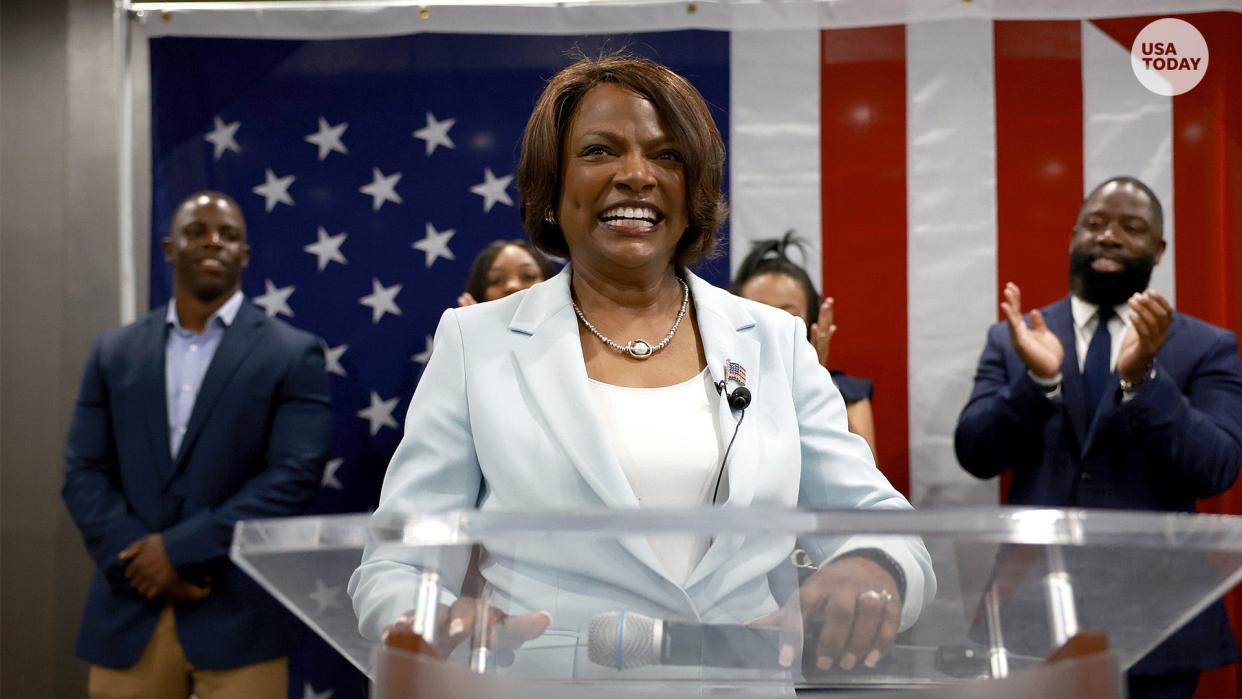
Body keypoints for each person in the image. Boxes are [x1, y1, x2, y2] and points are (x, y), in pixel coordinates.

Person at [350, 54, 934, 678]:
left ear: (694, 193)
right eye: (601, 151)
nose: (636, 175)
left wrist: (874, 566)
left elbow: (878, 524)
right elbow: (396, 564)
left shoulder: (773, 341)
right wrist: (423, 614)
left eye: (667, 155)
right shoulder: (476, 342)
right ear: (552, 187)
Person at [954, 176, 1242, 699]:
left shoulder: (1208, 346)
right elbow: (974, 453)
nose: (1109, 236)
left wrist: (1144, 381)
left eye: (1131, 228)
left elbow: (1217, 468)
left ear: (1158, 249)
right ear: (1072, 238)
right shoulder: (1015, 335)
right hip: (1032, 618)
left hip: (1161, 626)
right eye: (1096, 224)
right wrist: (1037, 382)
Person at [62, 191, 333, 698]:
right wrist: (139, 564)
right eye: (196, 231)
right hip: (129, 610)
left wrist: (177, 551)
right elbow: (82, 472)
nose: (213, 241)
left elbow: (294, 476)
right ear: (169, 248)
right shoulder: (113, 352)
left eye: (228, 235)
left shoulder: (294, 354)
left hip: (239, 616)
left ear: (245, 255)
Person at [732, 231, 878, 459]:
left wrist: (812, 380)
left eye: (786, 315)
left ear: (812, 322)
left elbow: (862, 475)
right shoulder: (715, 384)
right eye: (758, 313)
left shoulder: (849, 395)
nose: (773, 327)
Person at [457, 238, 558, 307]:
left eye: (528, 276)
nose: (512, 286)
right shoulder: (464, 332)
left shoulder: (570, 332)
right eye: (496, 280)